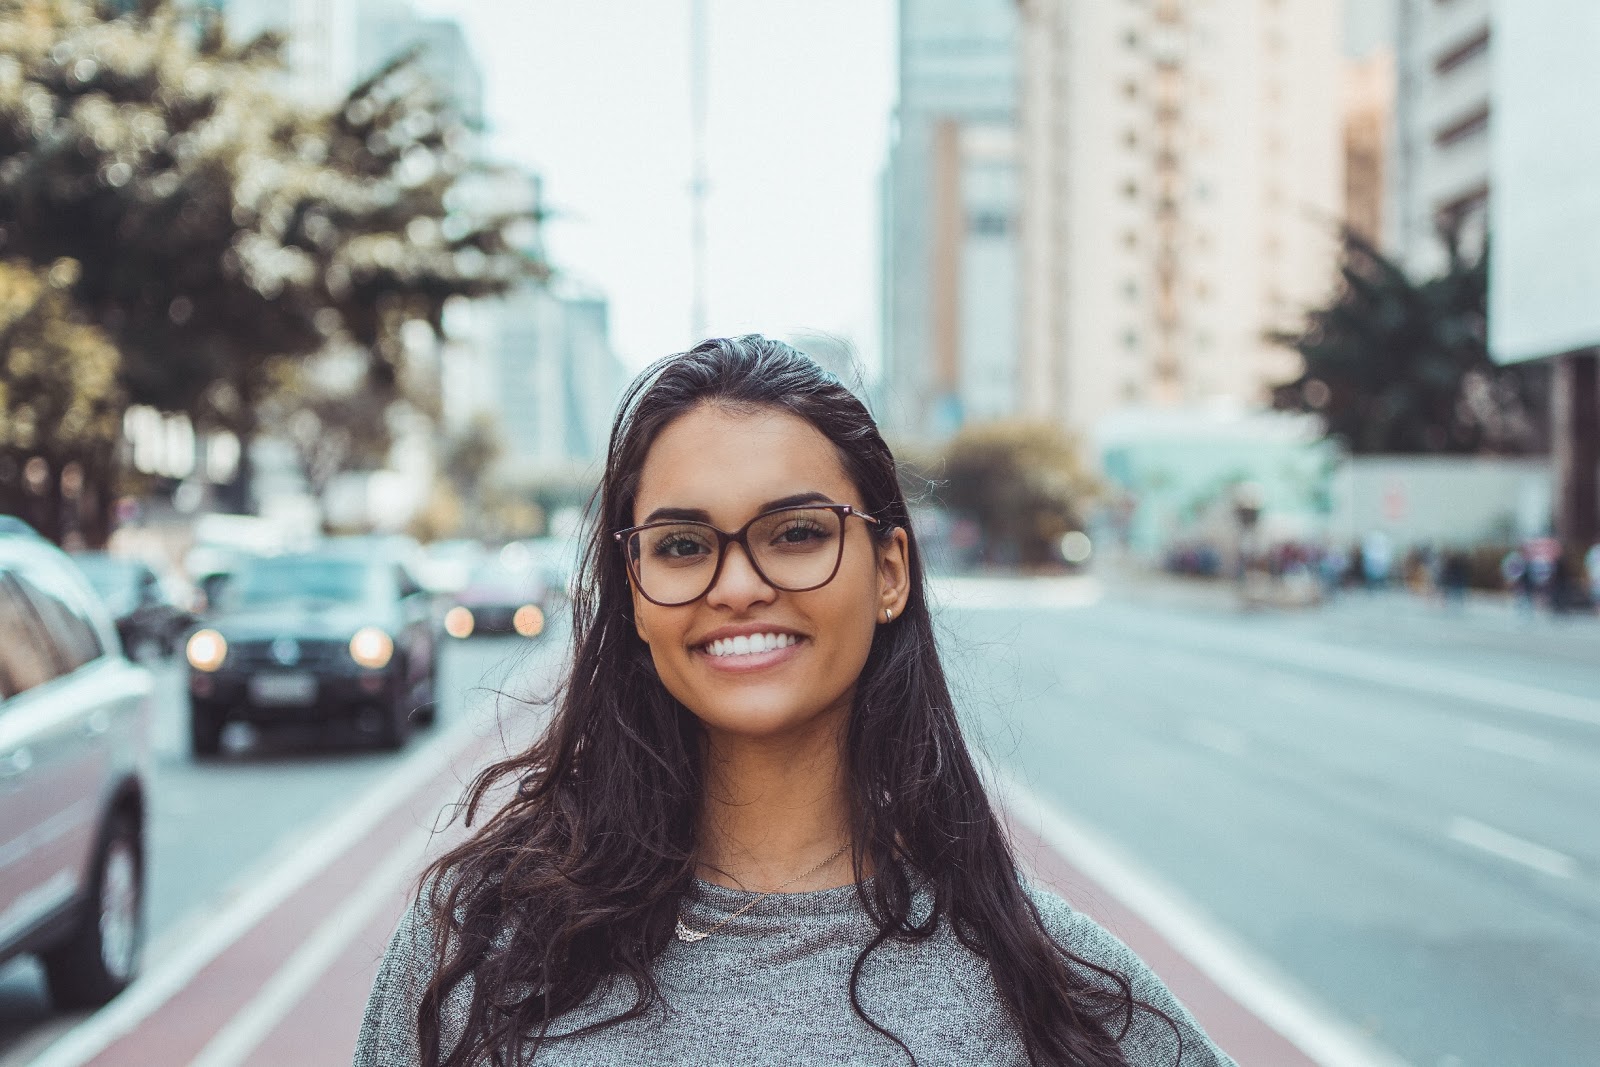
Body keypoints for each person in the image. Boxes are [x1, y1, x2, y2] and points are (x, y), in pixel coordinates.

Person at [355, 337, 1236, 1066]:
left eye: (798, 533)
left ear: (889, 571)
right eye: (684, 544)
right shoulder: (476, 951)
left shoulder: (1052, 991)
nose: (737, 584)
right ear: (632, 590)